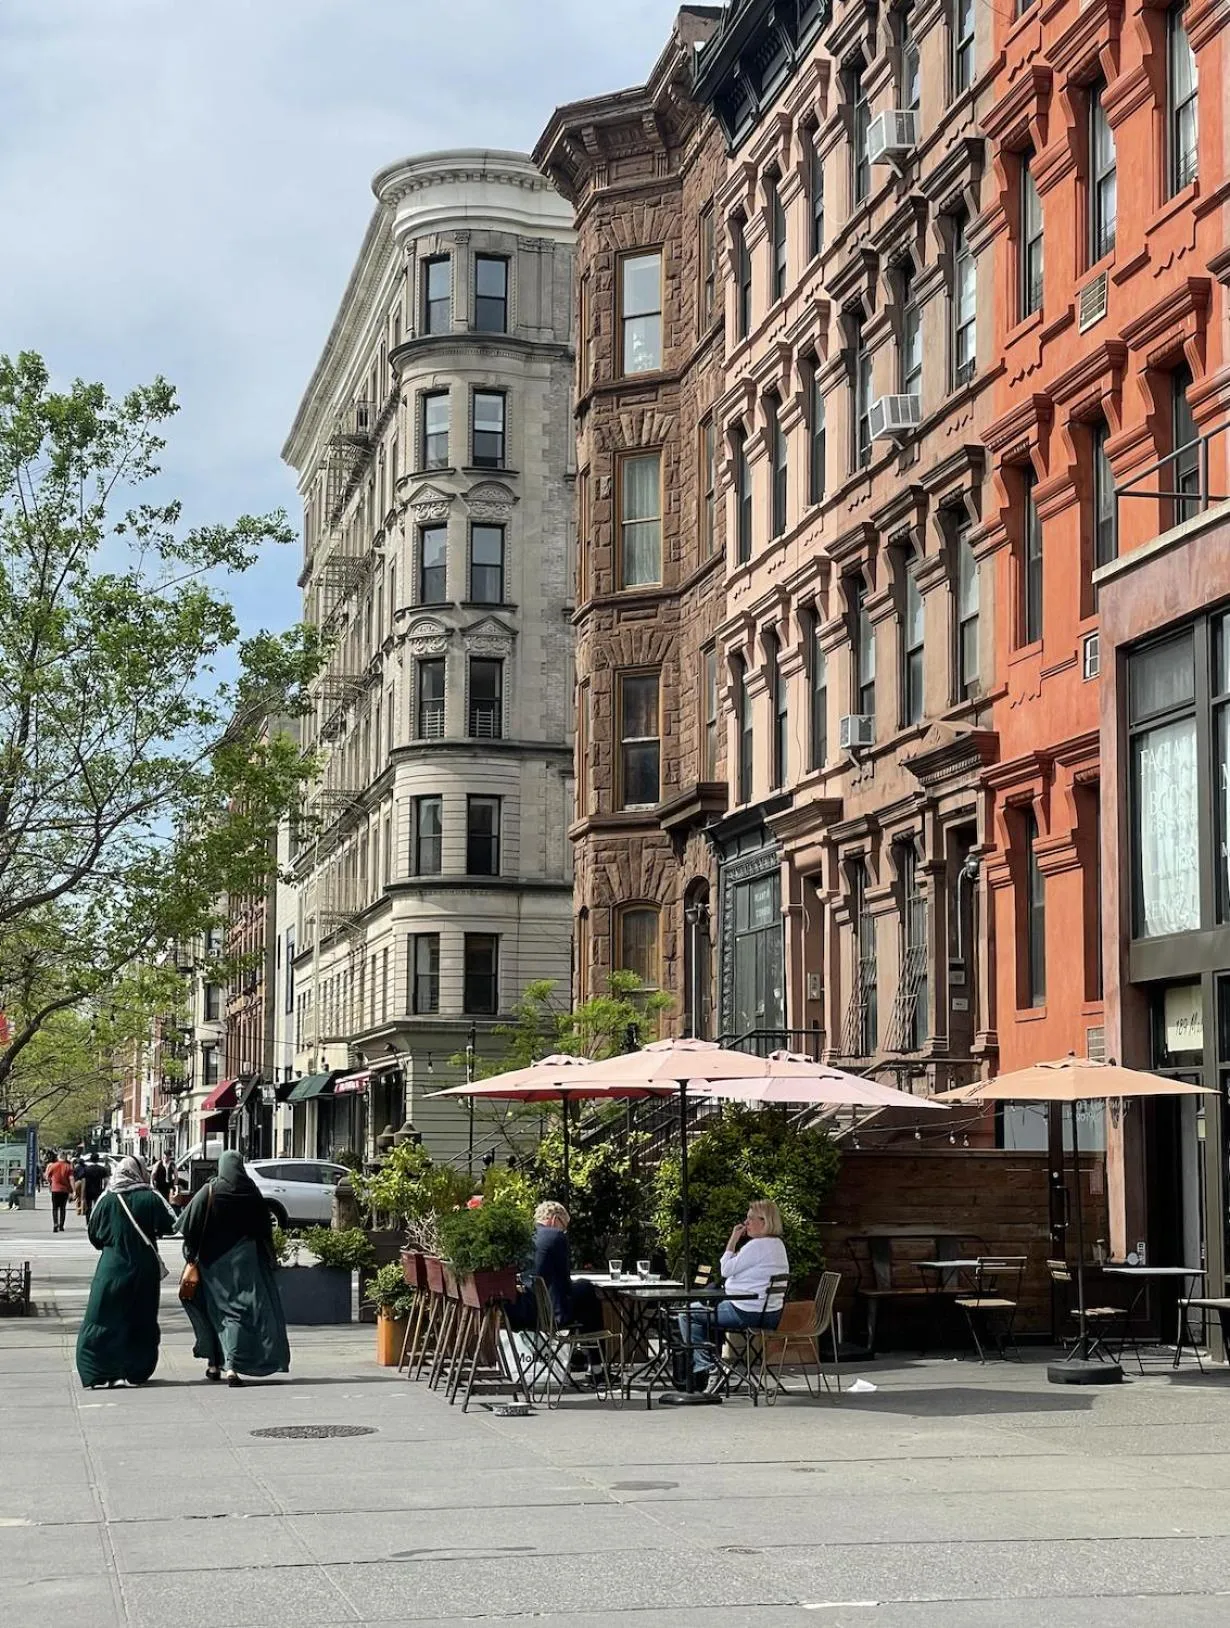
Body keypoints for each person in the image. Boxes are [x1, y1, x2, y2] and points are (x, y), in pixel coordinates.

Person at [176, 1150, 290, 1388]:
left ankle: (222, 1364)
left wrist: (192, 1251)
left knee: (216, 1313)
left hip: (214, 1265)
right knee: (242, 1313)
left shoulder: (210, 1191)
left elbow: (187, 1225)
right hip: (247, 1264)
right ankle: (229, 1364)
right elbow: (264, 1231)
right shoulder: (252, 1193)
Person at [75, 1156, 178, 1390]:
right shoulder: (151, 1197)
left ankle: (98, 1371)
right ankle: (135, 1370)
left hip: (111, 1266)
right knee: (141, 1316)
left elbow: (94, 1233)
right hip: (144, 1266)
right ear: (140, 1172)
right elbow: (173, 1224)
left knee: (102, 1316)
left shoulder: (107, 1198)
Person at [678, 1199, 790, 1392]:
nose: (746, 1223)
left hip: (746, 1311)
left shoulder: (756, 1246)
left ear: (763, 1221)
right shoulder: (777, 1245)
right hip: (771, 1314)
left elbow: (726, 1269)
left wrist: (732, 1240)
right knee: (707, 1312)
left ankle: (709, 1367)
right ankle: (713, 1366)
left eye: (750, 1219)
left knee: (686, 1313)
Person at [508, 1200, 602, 1336]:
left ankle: (580, 1351)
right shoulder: (555, 1236)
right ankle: (592, 1352)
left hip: (525, 1310)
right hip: (550, 1313)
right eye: (563, 1226)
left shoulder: (524, 1236)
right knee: (586, 1289)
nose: (563, 1231)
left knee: (582, 1296)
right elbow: (565, 1282)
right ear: (555, 1219)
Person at [45, 1151, 75, 1232]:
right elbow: (71, 1178)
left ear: (58, 1157)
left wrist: (51, 1182)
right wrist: (74, 1190)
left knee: (55, 1208)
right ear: (65, 1157)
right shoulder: (68, 1167)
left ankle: (55, 1223)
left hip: (55, 1189)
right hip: (65, 1190)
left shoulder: (53, 1166)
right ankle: (61, 1225)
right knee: (63, 1208)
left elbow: (47, 1176)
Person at [81, 1153, 108, 1221]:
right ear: (98, 1159)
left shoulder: (86, 1169)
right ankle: (97, 1220)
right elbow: (105, 1181)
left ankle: (88, 1221)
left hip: (88, 1190)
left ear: (90, 1159)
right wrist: (104, 1189)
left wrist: (83, 1192)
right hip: (98, 1190)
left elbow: (83, 1181)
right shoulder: (102, 1169)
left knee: (88, 1207)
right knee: (98, 1206)